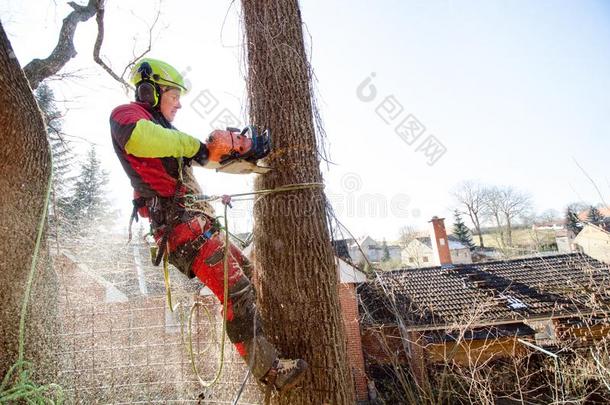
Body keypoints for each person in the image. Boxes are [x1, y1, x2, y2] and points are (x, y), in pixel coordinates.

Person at [109, 58, 307, 391]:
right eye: (174, 95)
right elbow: (141, 138)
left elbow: (206, 155)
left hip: (199, 225)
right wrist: (195, 146)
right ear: (150, 91)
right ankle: (270, 372)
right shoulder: (127, 117)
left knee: (247, 273)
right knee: (237, 291)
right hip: (181, 230)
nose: (179, 102)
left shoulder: (167, 135)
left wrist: (234, 150)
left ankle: (259, 345)